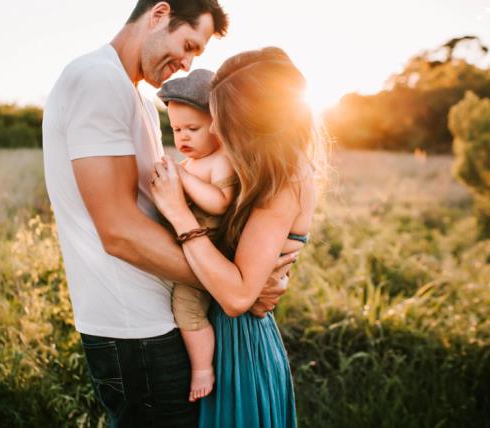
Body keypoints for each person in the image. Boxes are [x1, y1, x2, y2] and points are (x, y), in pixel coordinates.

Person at [42, 1, 299, 426]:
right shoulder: (96, 81)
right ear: (159, 13)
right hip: (136, 330)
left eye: (196, 54)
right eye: (188, 44)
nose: (187, 64)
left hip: (160, 320)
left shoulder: (137, 99)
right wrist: (238, 287)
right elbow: (119, 231)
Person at [150, 46, 324, 427]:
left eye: (222, 118)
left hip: (240, 346)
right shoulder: (260, 169)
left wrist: (179, 215)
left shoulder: (284, 178)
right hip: (225, 336)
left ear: (255, 121)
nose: (213, 128)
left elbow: (237, 296)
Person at [157, 69, 237, 402]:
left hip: (207, 257)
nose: (183, 138)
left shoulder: (221, 161)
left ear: (218, 126)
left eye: (192, 129)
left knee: (186, 308)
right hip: (187, 249)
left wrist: (182, 177)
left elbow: (220, 203)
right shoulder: (192, 162)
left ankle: (203, 367)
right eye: (176, 130)